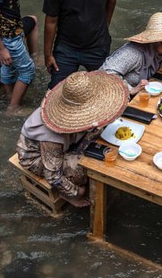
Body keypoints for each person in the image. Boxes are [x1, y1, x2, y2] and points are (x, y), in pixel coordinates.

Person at [17, 71, 129, 207]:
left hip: (65, 143)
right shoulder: (52, 139)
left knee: (102, 134)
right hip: (36, 156)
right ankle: (66, 195)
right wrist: (77, 192)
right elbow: (53, 175)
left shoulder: (76, 104)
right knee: (82, 169)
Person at [99, 12, 162, 95]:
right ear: (153, 41)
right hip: (112, 95)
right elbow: (105, 74)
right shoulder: (133, 54)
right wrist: (131, 89)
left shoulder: (156, 51)